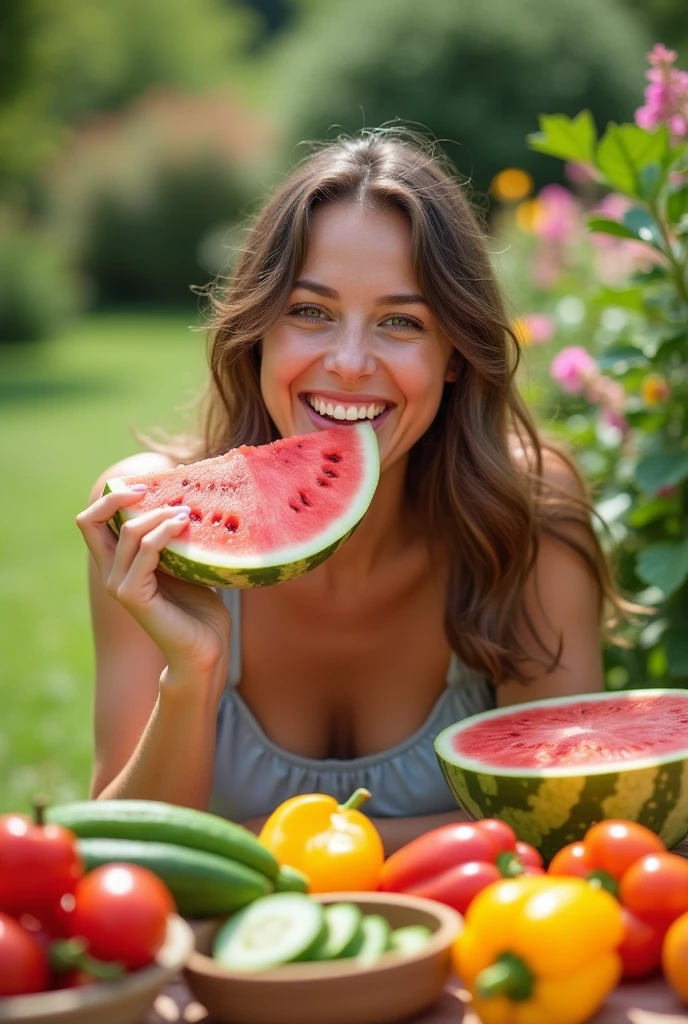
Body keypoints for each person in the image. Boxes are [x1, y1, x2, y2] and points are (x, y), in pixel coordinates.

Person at [76, 131, 625, 855]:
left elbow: (556, 829)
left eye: (401, 322)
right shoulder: (161, 523)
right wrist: (194, 671)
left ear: (456, 354)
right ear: (258, 331)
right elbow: (118, 860)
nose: (349, 363)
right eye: (311, 311)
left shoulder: (528, 518)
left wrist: (247, 845)